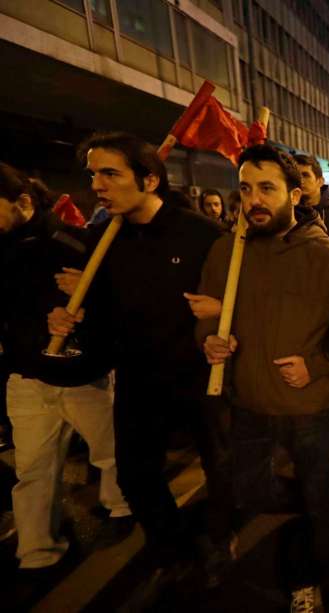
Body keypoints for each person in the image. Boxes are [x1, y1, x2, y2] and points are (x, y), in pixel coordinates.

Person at [197, 144, 329, 611]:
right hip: (248, 404)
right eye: (245, 188)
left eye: (267, 188)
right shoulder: (226, 251)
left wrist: (325, 364)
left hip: (312, 410)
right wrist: (209, 339)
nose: (253, 200)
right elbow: (209, 316)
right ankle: (307, 510)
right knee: (250, 490)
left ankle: (307, 575)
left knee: (318, 504)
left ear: (295, 193)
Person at [47, 132, 234, 593]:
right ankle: (174, 548)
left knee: (225, 471)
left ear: (149, 179)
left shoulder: (202, 235)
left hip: (201, 376)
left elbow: (239, 301)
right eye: (93, 175)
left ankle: (221, 539)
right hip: (137, 377)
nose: (98, 185)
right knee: (134, 474)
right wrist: (75, 316)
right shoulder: (102, 240)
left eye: (110, 173)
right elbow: (107, 319)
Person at [0, 162, 132, 571]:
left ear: (22, 202)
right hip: (25, 376)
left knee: (110, 454)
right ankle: (37, 551)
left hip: (82, 374)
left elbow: (118, 306)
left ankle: (122, 509)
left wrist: (84, 308)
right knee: (34, 470)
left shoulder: (73, 243)